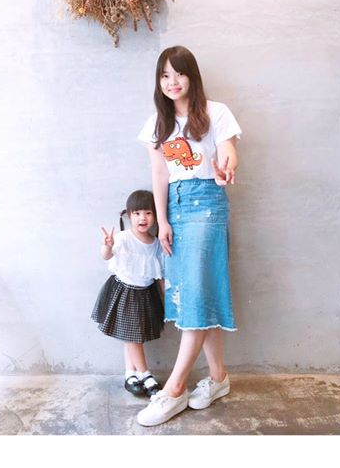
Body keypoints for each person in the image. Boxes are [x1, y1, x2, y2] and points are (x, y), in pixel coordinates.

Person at [136, 46, 242, 426]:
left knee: (195, 297)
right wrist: (163, 221)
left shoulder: (216, 112)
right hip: (176, 210)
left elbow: (228, 151)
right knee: (197, 293)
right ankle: (218, 378)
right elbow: (159, 174)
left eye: (178, 73)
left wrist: (226, 168)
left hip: (208, 203)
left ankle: (175, 388)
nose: (172, 81)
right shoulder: (157, 124)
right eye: (164, 75)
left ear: (192, 76)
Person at [91, 190, 165, 397]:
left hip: (145, 295)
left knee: (131, 335)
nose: (143, 218)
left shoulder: (156, 243)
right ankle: (145, 374)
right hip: (124, 292)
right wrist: (107, 246)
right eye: (137, 213)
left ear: (155, 216)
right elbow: (106, 256)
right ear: (129, 215)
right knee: (133, 337)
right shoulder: (123, 238)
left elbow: (160, 274)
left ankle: (130, 374)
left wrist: (167, 299)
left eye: (148, 213)